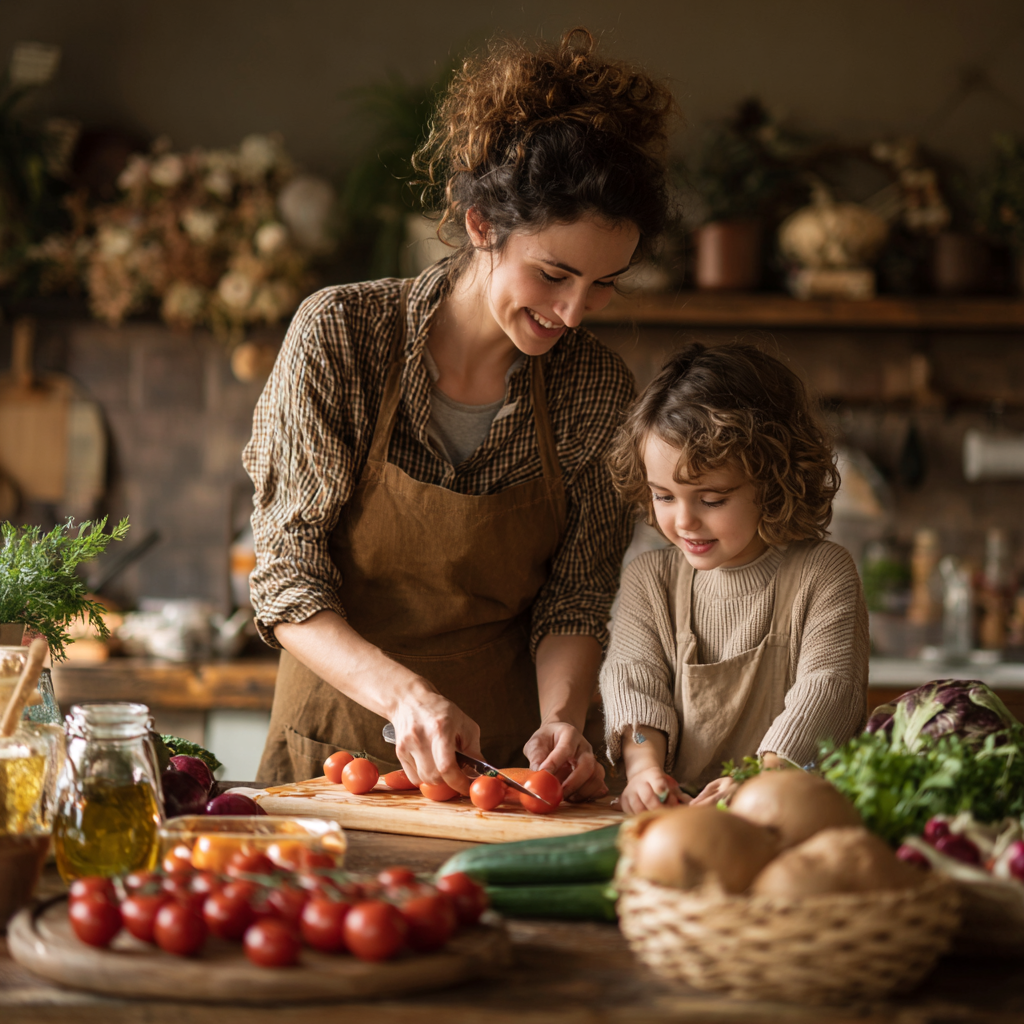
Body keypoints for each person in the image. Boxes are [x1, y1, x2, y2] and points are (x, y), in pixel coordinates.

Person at [244, 28, 675, 798]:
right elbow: (287, 577)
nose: (574, 313)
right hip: (334, 756)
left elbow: (575, 594)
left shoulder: (595, 388)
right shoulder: (343, 335)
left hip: (502, 770)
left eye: (605, 284)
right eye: (553, 275)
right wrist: (405, 698)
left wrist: (566, 721)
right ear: (483, 227)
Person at [601, 343, 870, 814]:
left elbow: (827, 689)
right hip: (678, 819)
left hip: (790, 813)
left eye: (711, 499)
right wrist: (644, 772)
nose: (684, 521)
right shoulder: (650, 580)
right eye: (664, 496)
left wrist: (762, 781)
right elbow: (635, 686)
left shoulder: (823, 573)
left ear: (773, 481)